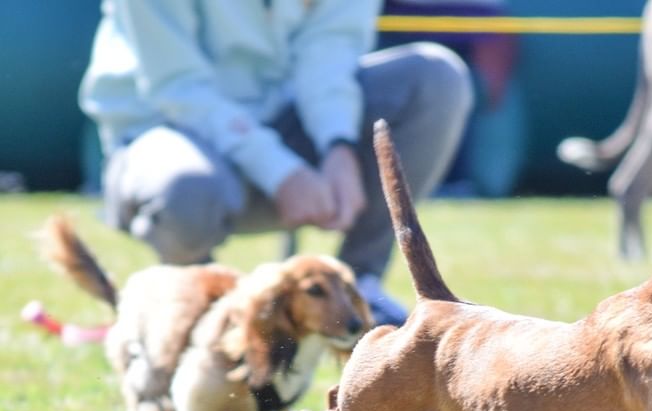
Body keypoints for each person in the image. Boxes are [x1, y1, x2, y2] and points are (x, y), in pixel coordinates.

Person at [79, 1, 474, 326]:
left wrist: (338, 145)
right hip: (167, 137)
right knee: (185, 188)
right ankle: (203, 311)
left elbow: (329, 50)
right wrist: (281, 170)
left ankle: (356, 292)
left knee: (437, 77)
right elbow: (179, 88)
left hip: (286, 125)